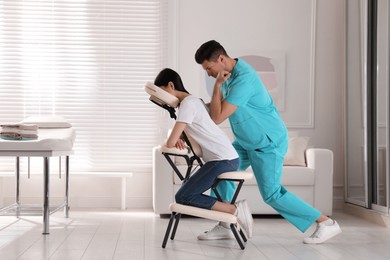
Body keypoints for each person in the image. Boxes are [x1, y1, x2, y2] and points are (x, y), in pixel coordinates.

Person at [194, 40, 342, 244]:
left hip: (267, 142)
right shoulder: (228, 74)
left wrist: (217, 86)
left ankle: (326, 223)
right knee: (221, 175)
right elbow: (218, 107)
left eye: (209, 69)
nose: (209, 74)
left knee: (271, 194)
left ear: (221, 59)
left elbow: (218, 118)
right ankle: (226, 223)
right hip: (246, 141)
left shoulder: (243, 79)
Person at [153, 68, 254, 239]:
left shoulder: (187, 104)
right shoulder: (194, 101)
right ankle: (232, 210)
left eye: (163, 92)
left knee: (183, 196)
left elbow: (170, 142)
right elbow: (195, 132)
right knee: (183, 195)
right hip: (224, 157)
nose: (164, 99)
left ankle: (234, 209)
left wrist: (174, 138)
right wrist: (182, 138)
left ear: (171, 85)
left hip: (222, 159)